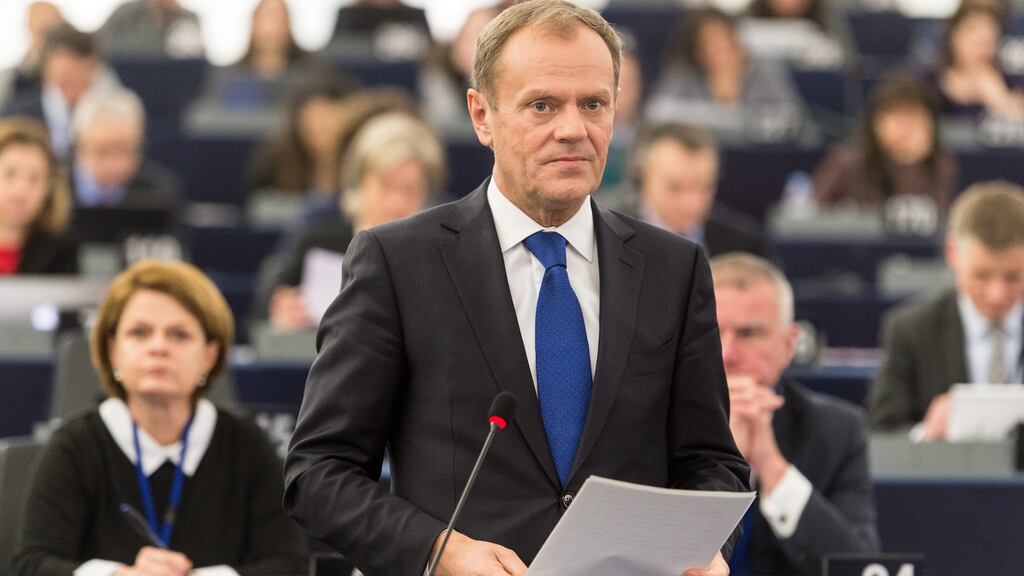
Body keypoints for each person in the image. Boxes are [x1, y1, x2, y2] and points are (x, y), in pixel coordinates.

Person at [283, 2, 749, 576]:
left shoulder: (673, 269)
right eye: (542, 105)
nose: (573, 129)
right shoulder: (398, 263)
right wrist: (438, 551)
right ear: (482, 116)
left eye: (594, 104)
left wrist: (706, 550)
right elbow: (318, 472)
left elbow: (711, 461)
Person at [13, 259, 308, 575]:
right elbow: (32, 564)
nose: (158, 347)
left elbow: (289, 564)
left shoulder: (247, 444)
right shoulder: (76, 445)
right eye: (140, 332)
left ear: (210, 354)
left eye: (179, 335)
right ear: (112, 350)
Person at [710, 252, 879, 575]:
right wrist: (722, 461)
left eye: (749, 334)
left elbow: (861, 568)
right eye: (713, 332)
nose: (727, 354)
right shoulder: (654, 423)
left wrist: (772, 467)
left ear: (789, 345)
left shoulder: (837, 431)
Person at [257, 112, 445, 332]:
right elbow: (257, 321)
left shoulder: (437, 258)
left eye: (409, 190)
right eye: (386, 186)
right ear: (359, 184)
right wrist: (281, 320)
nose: (396, 202)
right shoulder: (316, 243)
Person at [870, 181, 1024, 439]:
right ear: (953, 253)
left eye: (1013, 277)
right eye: (982, 276)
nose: (997, 294)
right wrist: (925, 433)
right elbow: (881, 435)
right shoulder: (910, 330)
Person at [617, 121, 775, 260]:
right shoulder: (610, 238)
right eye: (675, 188)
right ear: (641, 179)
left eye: (705, 187)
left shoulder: (745, 246)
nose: (691, 204)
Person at [813, 74, 959, 218]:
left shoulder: (940, 165)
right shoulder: (848, 162)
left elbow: (939, 219)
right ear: (875, 122)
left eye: (913, 116)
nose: (905, 127)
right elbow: (813, 214)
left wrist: (911, 162)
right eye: (896, 117)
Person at [646, 7, 801, 135]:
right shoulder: (684, 73)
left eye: (726, 42)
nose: (720, 52)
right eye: (710, 45)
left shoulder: (764, 70)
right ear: (697, 51)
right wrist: (723, 110)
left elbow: (793, 119)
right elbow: (659, 113)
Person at [2, 24, 117, 160]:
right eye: (66, 74)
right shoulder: (13, 116)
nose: (75, 80)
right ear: (46, 70)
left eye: (83, 73)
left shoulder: (111, 120)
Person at [243, 77, 357, 202]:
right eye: (313, 116)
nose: (319, 124)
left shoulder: (361, 164)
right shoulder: (274, 163)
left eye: (326, 116)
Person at [0, 117, 76, 275]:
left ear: (49, 188)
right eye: (10, 174)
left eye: (34, 178)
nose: (20, 192)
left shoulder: (62, 252)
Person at [932, 4, 1024, 120]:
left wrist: (1002, 100)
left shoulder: (1013, 83)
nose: (983, 49)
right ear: (953, 36)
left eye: (989, 41)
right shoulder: (929, 82)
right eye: (975, 39)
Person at [98, 0, 203, 59]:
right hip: (123, 88)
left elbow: (195, 61)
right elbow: (95, 46)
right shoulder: (125, 14)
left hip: (173, 87)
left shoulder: (188, 19)